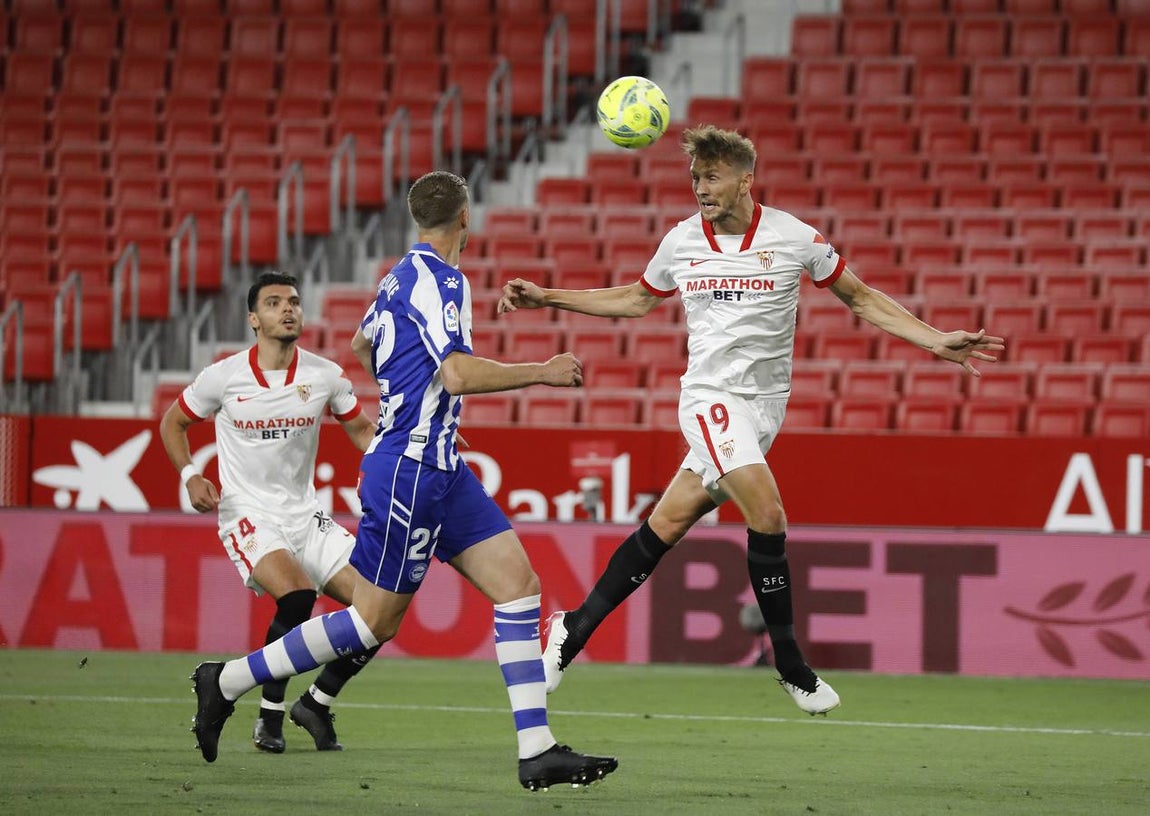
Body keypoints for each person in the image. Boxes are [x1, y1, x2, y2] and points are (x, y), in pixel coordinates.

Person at [498, 125, 1005, 715]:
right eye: (694, 177)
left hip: (764, 409)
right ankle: (789, 663)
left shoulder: (795, 238)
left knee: (667, 523)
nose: (700, 188)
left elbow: (862, 299)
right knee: (767, 512)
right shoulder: (683, 241)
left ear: (745, 178)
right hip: (711, 399)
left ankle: (573, 629)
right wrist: (549, 297)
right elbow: (636, 299)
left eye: (711, 177)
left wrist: (935, 340)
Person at [188, 171, 619, 792]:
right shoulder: (443, 280)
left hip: (441, 467)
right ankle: (225, 681)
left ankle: (537, 750)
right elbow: (460, 373)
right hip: (409, 472)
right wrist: (542, 372)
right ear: (465, 218)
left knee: (520, 586)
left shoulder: (396, 277)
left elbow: (364, 346)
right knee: (372, 623)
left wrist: (414, 408)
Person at [160, 271, 381, 754]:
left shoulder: (324, 375)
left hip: (307, 515)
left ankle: (317, 703)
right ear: (253, 319)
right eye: (275, 302)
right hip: (248, 513)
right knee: (298, 597)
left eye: (295, 302)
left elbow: (363, 432)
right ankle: (270, 717)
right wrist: (191, 476)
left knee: (379, 611)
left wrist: (408, 447)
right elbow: (173, 422)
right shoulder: (225, 376)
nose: (288, 309)